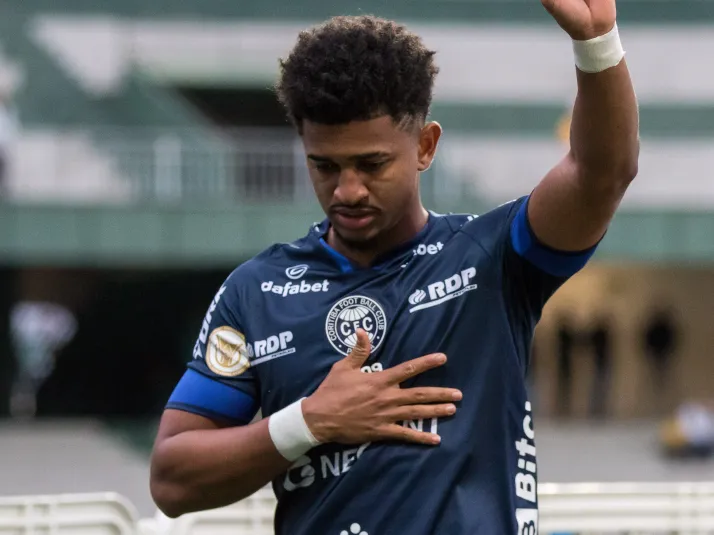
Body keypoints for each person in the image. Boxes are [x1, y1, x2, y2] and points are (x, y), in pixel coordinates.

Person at [150, 7, 639, 534]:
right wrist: (308, 421)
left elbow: (602, 173)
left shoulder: (492, 258)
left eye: (372, 164)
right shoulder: (256, 291)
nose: (347, 190)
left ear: (425, 146)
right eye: (324, 166)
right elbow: (173, 481)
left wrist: (596, 42)